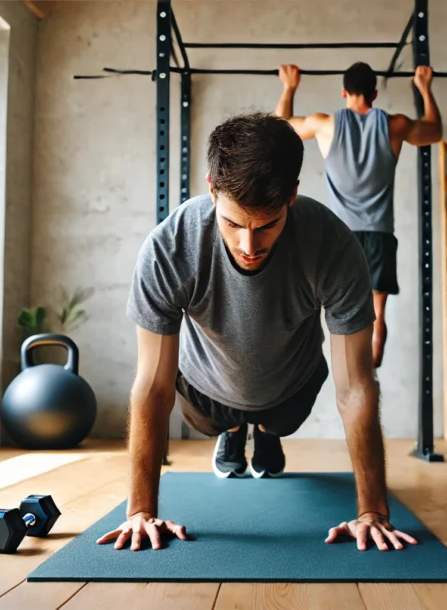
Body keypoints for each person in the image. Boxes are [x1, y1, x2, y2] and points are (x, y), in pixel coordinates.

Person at [98, 112, 416, 553]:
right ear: (211, 188)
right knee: (215, 421)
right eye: (234, 224)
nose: (250, 246)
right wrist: (140, 512)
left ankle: (264, 433)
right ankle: (232, 432)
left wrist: (373, 513)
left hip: (290, 385)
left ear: (292, 196)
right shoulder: (170, 248)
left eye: (266, 226)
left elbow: (357, 386)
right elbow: (152, 386)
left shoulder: (334, 246)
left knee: (275, 421)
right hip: (203, 386)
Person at [273, 61, 443, 368]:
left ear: (344, 93)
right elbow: (434, 131)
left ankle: (344, 364)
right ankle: (370, 370)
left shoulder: (326, 125)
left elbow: (279, 125)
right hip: (379, 233)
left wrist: (289, 87)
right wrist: (424, 88)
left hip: (341, 235)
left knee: (338, 305)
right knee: (376, 309)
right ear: (374, 93)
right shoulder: (395, 124)